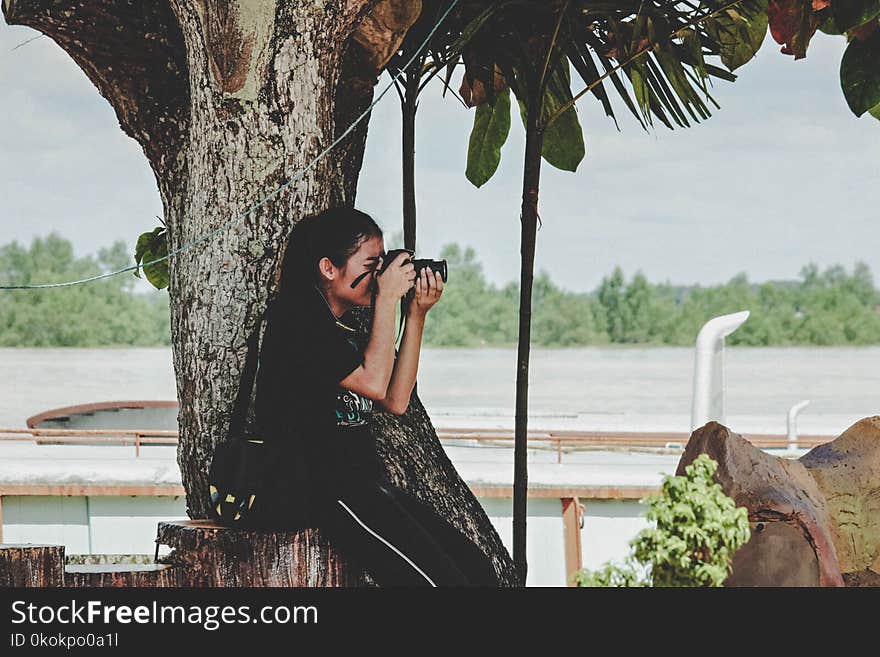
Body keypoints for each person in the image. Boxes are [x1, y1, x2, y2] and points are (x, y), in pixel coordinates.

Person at [252, 206, 499, 587]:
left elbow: (396, 400)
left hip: (363, 483)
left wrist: (415, 314)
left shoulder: (340, 328)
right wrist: (386, 301)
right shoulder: (296, 321)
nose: (380, 276)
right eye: (372, 264)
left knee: (478, 571)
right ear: (329, 268)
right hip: (323, 488)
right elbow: (373, 384)